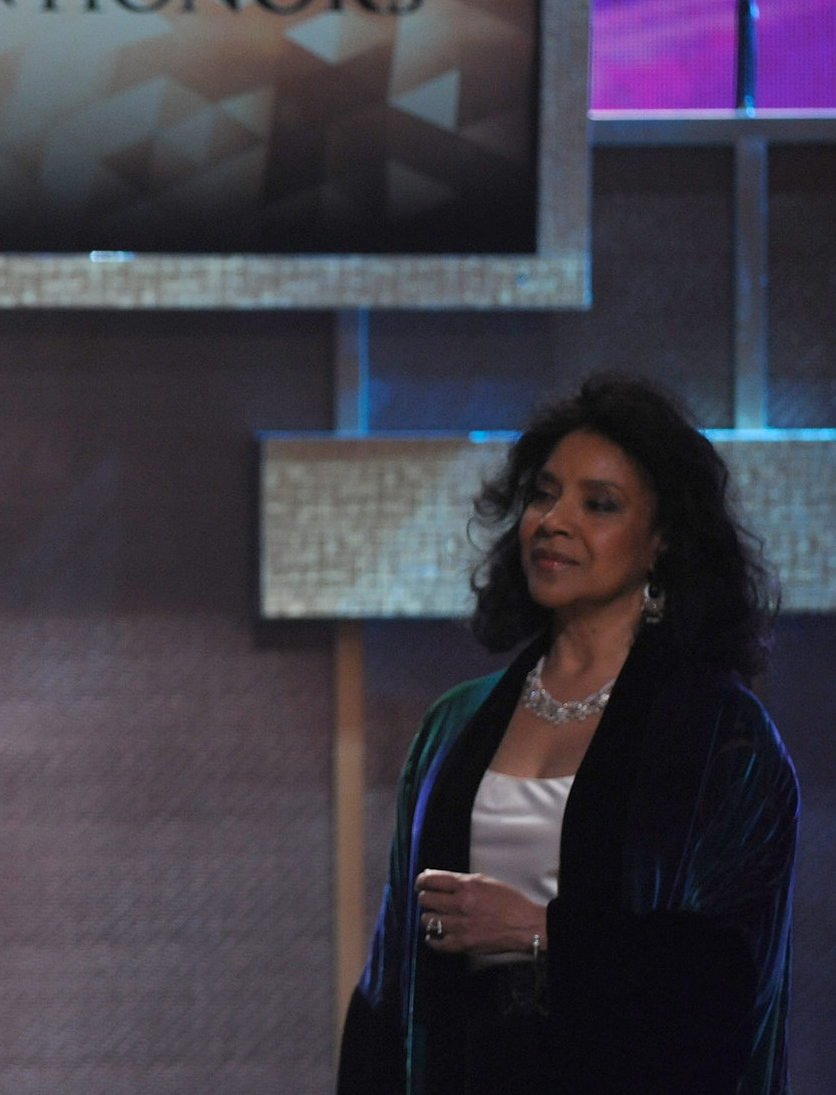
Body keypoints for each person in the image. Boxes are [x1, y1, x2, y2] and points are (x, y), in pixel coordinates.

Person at [337, 374, 797, 1095]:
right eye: (543, 494)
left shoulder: (720, 735)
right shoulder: (454, 725)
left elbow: (727, 976)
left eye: (599, 504)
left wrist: (540, 930)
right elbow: (391, 979)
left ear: (662, 541)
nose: (554, 520)